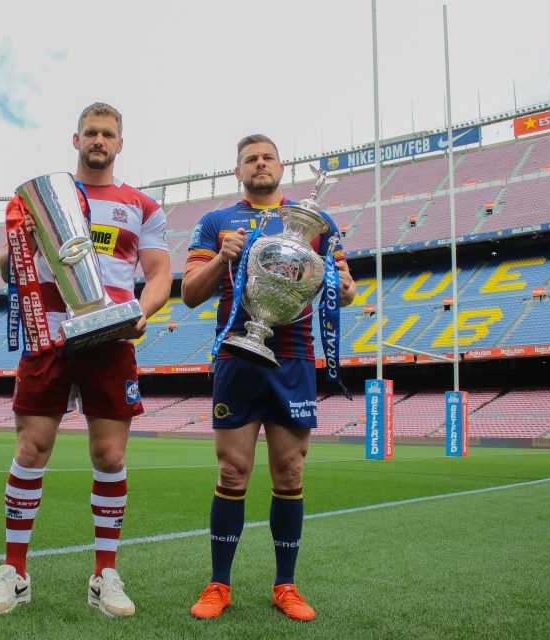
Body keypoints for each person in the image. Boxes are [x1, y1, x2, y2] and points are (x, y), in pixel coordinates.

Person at [0, 102, 171, 618]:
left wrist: (141, 312)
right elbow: (6, 272)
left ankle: (104, 573)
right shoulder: (43, 200)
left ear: (120, 143)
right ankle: (14, 571)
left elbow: (157, 275)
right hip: (50, 336)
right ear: (76, 139)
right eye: (91, 132)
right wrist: (23, 235)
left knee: (109, 457)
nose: (99, 140)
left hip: (111, 339)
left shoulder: (143, 206)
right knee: (30, 448)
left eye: (108, 133)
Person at [181, 134, 356, 622]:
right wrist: (223, 257)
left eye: (267, 157)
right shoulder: (216, 222)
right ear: (238, 171)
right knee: (232, 471)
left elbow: (345, 292)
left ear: (282, 167)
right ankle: (219, 585)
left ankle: (286, 585)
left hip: (295, 358)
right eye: (250, 159)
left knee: (290, 471)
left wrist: (343, 286)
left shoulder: (317, 223)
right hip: (238, 355)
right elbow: (190, 293)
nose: (260, 164)